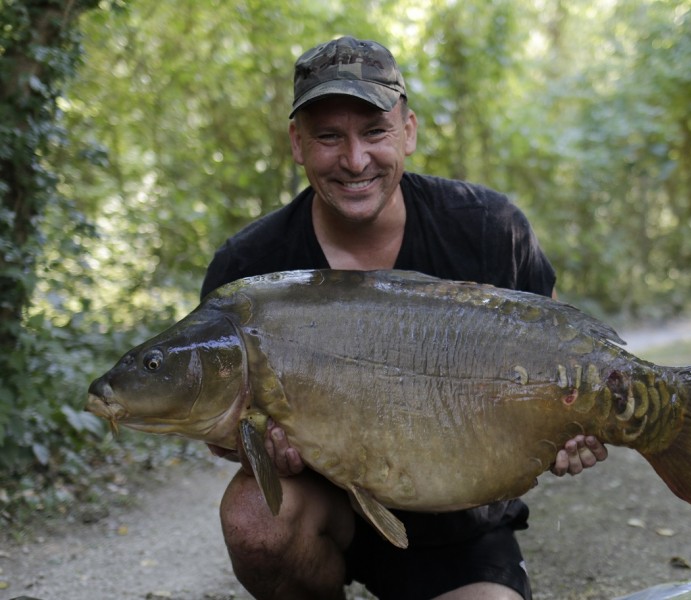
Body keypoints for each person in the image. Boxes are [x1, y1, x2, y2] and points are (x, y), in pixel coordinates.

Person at [200, 36, 608, 600]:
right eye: (328, 136)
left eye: (374, 132)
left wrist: (573, 422)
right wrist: (256, 444)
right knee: (253, 520)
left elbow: (560, 351)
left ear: (408, 131)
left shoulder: (489, 228)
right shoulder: (249, 270)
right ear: (297, 143)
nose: (355, 159)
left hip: (461, 527)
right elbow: (219, 423)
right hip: (328, 507)